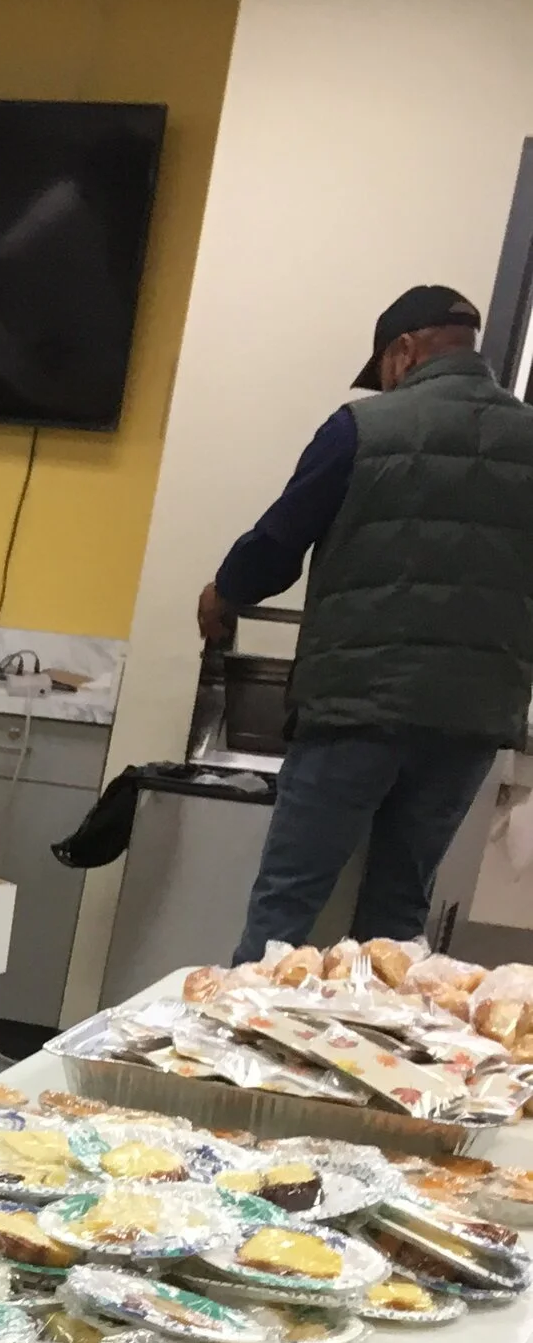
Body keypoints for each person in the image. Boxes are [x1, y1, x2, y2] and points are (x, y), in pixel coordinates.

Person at [201, 283, 533, 963]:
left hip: (356, 709)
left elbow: (276, 547)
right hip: (469, 720)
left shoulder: (362, 429)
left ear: (403, 351)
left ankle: (243, 1029)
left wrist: (225, 592)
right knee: (396, 916)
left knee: (286, 909)